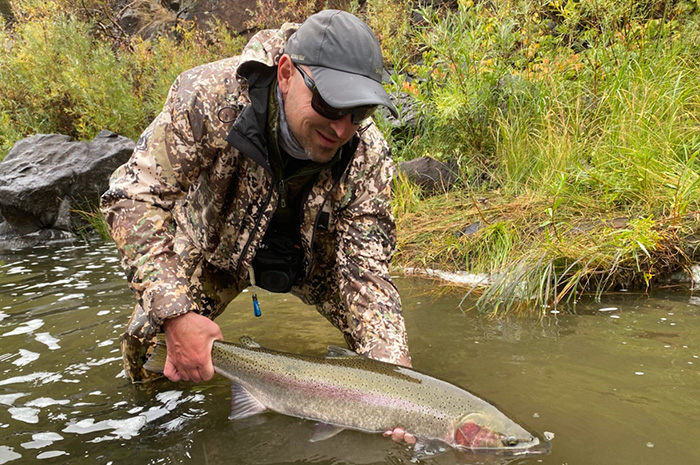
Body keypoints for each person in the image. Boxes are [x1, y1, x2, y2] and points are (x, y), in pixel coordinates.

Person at [102, 9, 410, 391]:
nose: (341, 127)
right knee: (147, 343)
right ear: (285, 74)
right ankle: (157, 426)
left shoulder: (367, 152)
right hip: (215, 253)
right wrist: (176, 316)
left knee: (382, 359)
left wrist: (398, 386)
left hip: (320, 266)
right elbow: (133, 196)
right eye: (329, 105)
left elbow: (366, 275)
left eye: (360, 111)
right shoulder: (206, 98)